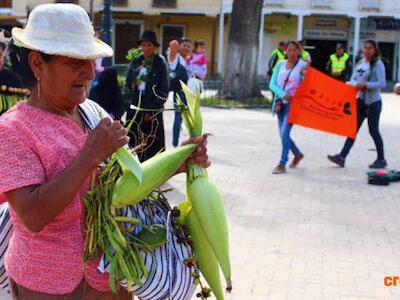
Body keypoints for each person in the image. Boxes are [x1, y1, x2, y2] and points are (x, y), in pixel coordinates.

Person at [0, 4, 208, 299]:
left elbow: (130, 180)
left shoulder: (93, 113)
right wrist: (89, 156)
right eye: (74, 61)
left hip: (108, 276)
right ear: (37, 64)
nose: (88, 72)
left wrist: (178, 161)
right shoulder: (12, 129)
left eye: (90, 60)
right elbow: (33, 215)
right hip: (46, 283)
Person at [327, 39, 387, 169]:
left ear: (375, 50)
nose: (367, 50)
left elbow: (382, 84)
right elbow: (353, 79)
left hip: (373, 102)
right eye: (365, 47)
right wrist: (350, 85)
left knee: (373, 131)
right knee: (352, 130)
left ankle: (381, 159)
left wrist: (366, 85)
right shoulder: (360, 63)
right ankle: (342, 157)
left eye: (370, 48)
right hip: (360, 101)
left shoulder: (378, 64)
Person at [125, 30, 169, 161]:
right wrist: (127, 103)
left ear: (154, 47)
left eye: (149, 45)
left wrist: (152, 111)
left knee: (152, 142)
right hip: (136, 107)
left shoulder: (160, 63)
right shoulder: (136, 62)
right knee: (134, 140)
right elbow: (127, 85)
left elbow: (164, 90)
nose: (145, 48)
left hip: (151, 109)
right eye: (143, 45)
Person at [269, 41, 307, 174]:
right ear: (286, 52)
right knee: (283, 134)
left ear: (299, 52)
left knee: (285, 133)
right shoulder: (280, 64)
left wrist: (304, 75)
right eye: (289, 50)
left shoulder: (303, 66)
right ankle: (297, 154)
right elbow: (272, 84)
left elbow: (308, 85)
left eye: (294, 50)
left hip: (294, 105)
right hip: (280, 103)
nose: (291, 53)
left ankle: (282, 163)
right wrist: (283, 95)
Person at [167, 39, 189, 147]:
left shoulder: (188, 60)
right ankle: (175, 143)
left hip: (189, 93)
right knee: (178, 117)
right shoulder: (176, 59)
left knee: (189, 118)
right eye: (184, 45)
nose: (187, 48)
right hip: (180, 92)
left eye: (189, 46)